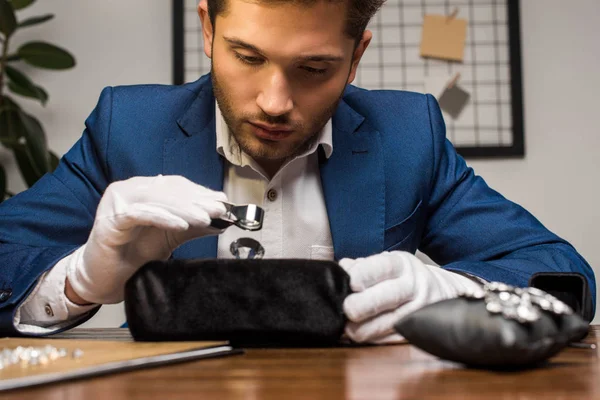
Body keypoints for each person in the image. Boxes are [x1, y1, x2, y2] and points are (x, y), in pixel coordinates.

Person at [0, 0, 595, 342]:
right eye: (248, 57)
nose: (274, 102)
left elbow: (561, 273)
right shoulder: (126, 125)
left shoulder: (409, 133)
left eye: (313, 68)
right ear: (208, 28)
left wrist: (455, 292)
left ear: (356, 56)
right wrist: (79, 280)